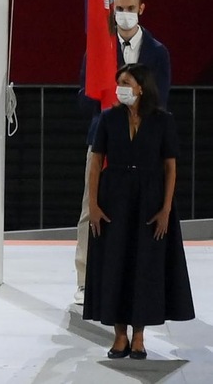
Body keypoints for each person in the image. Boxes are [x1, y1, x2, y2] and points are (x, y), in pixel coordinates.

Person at [83, 63, 193, 359]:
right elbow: (96, 163)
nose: (121, 87)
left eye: (127, 82)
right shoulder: (107, 119)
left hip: (150, 200)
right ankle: (120, 336)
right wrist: (93, 205)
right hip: (114, 198)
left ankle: (140, 337)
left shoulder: (162, 120)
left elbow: (170, 167)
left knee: (145, 266)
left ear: (141, 87)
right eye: (119, 81)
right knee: (116, 262)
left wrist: (166, 209)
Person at [74, 0, 169, 305]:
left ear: (141, 9)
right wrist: (106, 99)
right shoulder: (97, 49)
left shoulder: (157, 52)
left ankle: (141, 280)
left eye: (130, 9)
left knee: (143, 211)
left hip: (142, 147)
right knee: (92, 210)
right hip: (102, 141)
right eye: (119, 9)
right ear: (111, 10)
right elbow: (84, 100)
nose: (124, 15)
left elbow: (162, 101)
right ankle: (86, 281)